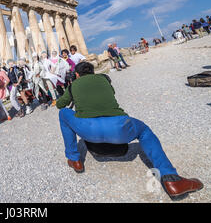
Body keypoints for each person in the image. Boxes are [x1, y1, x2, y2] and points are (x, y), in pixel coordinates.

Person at [56, 62, 203, 200]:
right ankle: (171, 179)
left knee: (63, 113)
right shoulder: (103, 79)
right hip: (119, 127)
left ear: (76, 75)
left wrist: (72, 89)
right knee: (144, 131)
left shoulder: (73, 85)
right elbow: (110, 93)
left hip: (88, 129)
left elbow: (61, 104)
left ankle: (74, 159)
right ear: (93, 72)